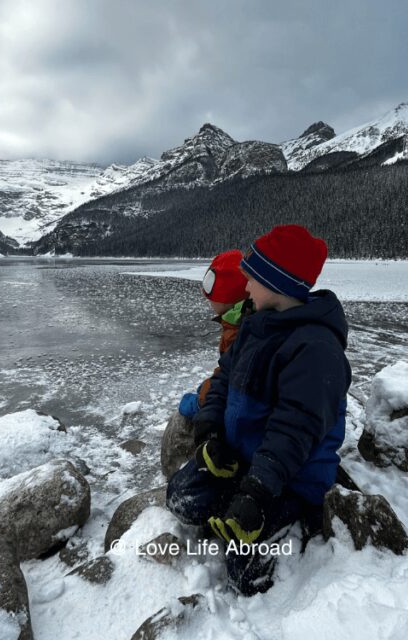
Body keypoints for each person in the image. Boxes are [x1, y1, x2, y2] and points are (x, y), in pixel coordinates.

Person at [166, 224, 351, 596]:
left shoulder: (314, 350)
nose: (246, 287)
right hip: (248, 462)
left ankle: (297, 520)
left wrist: (258, 491)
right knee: (181, 498)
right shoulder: (257, 326)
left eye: (252, 278)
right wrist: (211, 434)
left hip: (290, 474)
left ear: (277, 284)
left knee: (245, 575)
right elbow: (222, 382)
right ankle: (239, 502)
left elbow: (292, 433)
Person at [177, 250, 252, 421]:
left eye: (211, 296)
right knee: (202, 387)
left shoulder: (238, 330)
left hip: (236, 400)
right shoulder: (239, 318)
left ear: (227, 298)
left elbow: (234, 376)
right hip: (232, 389)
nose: (208, 301)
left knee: (187, 405)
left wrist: (202, 401)